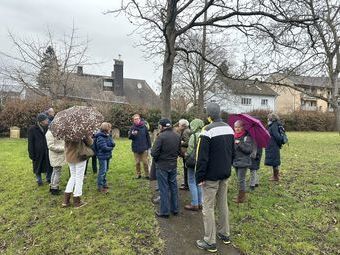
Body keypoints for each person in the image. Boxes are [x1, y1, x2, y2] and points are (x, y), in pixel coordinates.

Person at [195, 103, 234, 253]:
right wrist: (228, 168)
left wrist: (200, 177)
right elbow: (232, 152)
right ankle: (225, 234)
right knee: (223, 204)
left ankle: (210, 241)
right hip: (225, 173)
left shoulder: (207, 130)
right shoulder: (229, 128)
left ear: (209, 115)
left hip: (211, 177)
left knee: (208, 207)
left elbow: (201, 158)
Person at [151, 119, 181, 218]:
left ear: (162, 126)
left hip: (162, 166)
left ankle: (164, 212)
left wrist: (159, 158)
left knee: (163, 188)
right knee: (173, 187)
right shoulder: (177, 136)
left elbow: (154, 153)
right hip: (173, 165)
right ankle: (175, 209)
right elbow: (179, 151)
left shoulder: (161, 137)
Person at [62, 136, 93, 208]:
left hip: (69, 156)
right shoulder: (81, 132)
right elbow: (90, 142)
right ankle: (77, 200)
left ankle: (65, 201)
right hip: (79, 156)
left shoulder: (66, 132)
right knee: (79, 178)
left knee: (73, 176)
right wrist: (87, 136)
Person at [184, 118, 204, 211]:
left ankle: (194, 204)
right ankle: (200, 203)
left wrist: (185, 155)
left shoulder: (194, 136)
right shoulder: (205, 134)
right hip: (202, 162)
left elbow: (190, 149)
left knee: (191, 181)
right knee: (199, 182)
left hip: (193, 162)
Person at [28, 113, 52, 186]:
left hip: (46, 150)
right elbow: (30, 142)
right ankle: (39, 180)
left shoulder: (48, 128)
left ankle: (49, 178)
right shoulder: (32, 129)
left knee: (48, 165)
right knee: (37, 166)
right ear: (41, 121)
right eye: (46, 119)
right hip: (37, 152)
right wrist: (31, 154)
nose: (48, 120)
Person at [232, 120, 254, 203]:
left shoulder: (246, 137)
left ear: (242, 127)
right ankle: (240, 194)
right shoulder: (234, 136)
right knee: (239, 179)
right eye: (235, 127)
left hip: (243, 161)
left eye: (238, 127)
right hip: (236, 161)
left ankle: (242, 197)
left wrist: (239, 143)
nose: (236, 129)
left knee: (241, 179)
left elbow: (248, 150)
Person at [128, 114, 152, 179]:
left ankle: (147, 175)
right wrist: (133, 134)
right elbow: (129, 137)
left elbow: (148, 137)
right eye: (135, 119)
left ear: (140, 119)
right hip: (136, 148)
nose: (137, 120)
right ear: (133, 120)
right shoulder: (132, 128)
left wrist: (149, 146)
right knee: (137, 162)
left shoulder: (144, 127)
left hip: (144, 147)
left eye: (138, 119)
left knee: (145, 162)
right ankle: (138, 175)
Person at [95, 122, 115, 193]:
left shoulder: (107, 135)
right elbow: (104, 147)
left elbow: (112, 143)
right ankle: (100, 186)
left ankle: (104, 183)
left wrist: (111, 142)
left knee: (106, 170)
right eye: (109, 128)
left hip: (107, 155)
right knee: (102, 171)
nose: (110, 129)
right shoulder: (100, 137)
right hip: (102, 156)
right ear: (106, 129)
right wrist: (111, 148)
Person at [46, 128, 65, 195]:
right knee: (57, 172)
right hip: (56, 156)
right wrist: (63, 148)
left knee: (55, 171)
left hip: (58, 156)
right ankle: (55, 188)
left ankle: (52, 186)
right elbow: (51, 146)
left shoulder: (56, 131)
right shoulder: (50, 133)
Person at [265, 113, 283, 181]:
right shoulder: (272, 125)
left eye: (268, 118)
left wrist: (279, 144)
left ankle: (276, 177)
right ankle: (275, 176)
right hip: (272, 146)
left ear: (271, 118)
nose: (267, 119)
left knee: (275, 161)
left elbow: (277, 137)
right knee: (274, 161)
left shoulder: (274, 126)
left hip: (273, 146)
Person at [176, 119, 191, 190]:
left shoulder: (185, 132)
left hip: (186, 153)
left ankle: (186, 185)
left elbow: (188, 143)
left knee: (186, 169)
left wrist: (181, 142)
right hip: (187, 153)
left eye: (179, 124)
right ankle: (186, 182)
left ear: (183, 126)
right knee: (186, 168)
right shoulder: (187, 130)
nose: (178, 126)